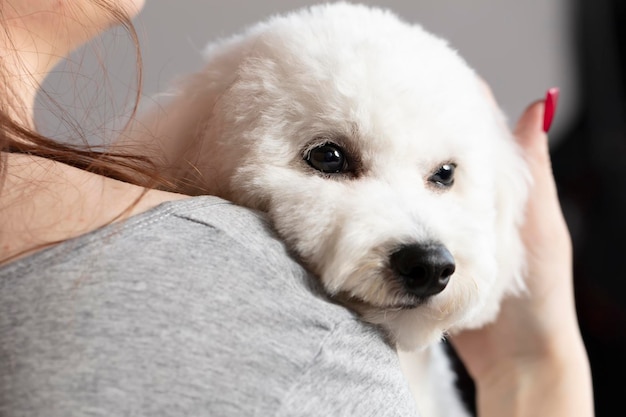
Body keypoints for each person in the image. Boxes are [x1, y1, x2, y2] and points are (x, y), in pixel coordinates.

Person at [0, 1, 594, 416]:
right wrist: (537, 371)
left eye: (442, 176)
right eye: (330, 158)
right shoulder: (283, 338)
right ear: (208, 149)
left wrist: (524, 361)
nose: (425, 244)